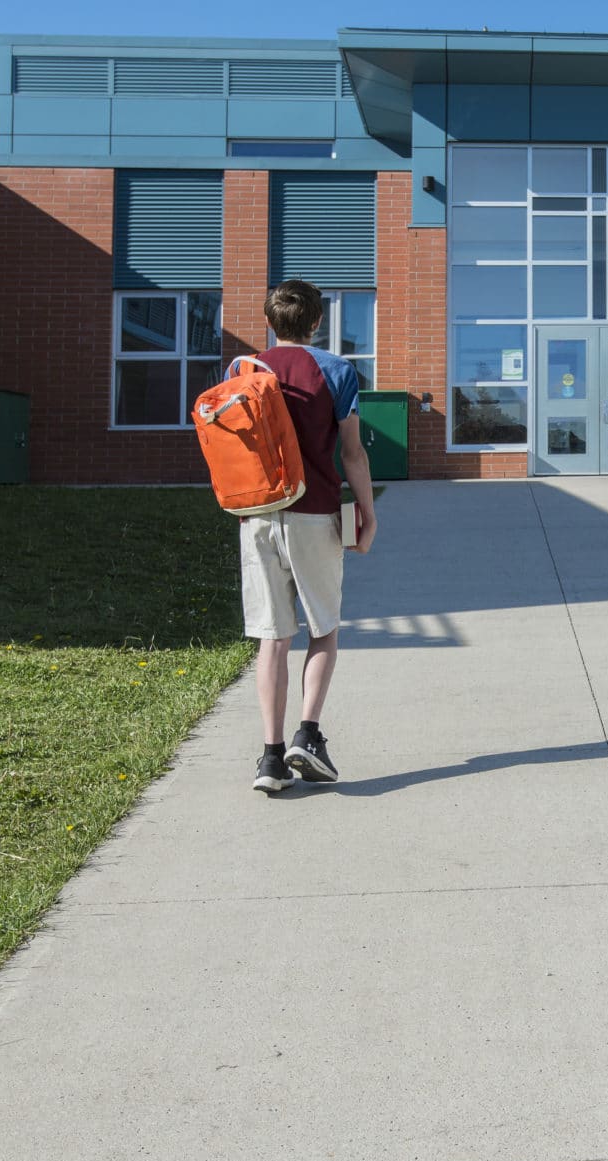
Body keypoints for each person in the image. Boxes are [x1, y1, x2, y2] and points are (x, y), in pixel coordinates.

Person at [238, 279, 378, 795]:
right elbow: (353, 453)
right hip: (315, 513)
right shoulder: (337, 371)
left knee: (273, 637)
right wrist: (365, 511)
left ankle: (271, 758)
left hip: (255, 515)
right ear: (317, 321)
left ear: (270, 324)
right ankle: (308, 734)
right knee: (323, 628)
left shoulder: (243, 371)